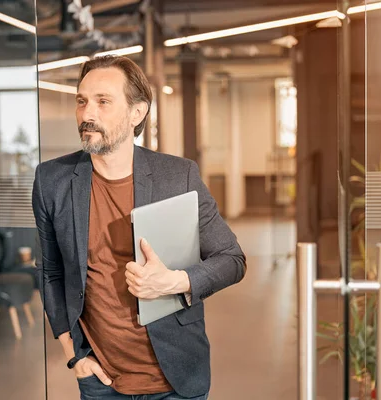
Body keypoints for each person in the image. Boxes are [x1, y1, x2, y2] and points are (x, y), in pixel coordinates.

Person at [32, 55, 246, 400]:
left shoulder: (178, 176)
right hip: (100, 379)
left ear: (137, 113)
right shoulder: (51, 180)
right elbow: (50, 271)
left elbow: (231, 259)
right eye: (82, 101)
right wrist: (71, 355)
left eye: (103, 102)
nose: (88, 114)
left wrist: (176, 282)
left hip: (175, 378)